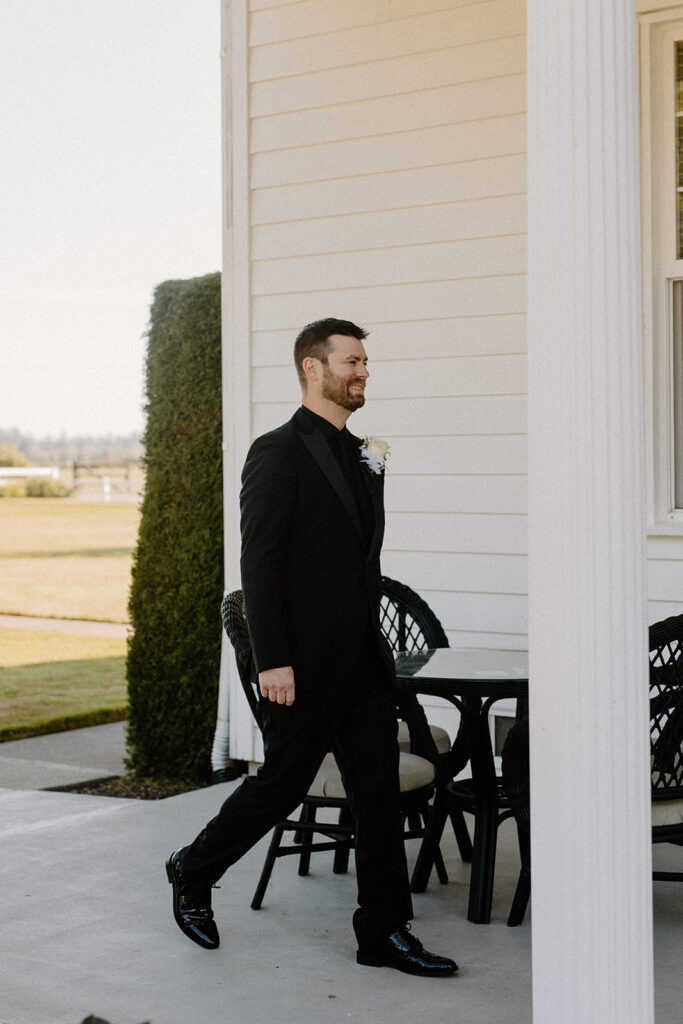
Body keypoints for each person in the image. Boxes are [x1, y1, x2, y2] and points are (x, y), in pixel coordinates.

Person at [166, 318, 458, 977]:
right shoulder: (276, 453)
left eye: (364, 363)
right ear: (311, 368)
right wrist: (272, 659)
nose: (362, 372)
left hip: (360, 662)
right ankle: (193, 869)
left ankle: (383, 933)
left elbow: (357, 560)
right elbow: (260, 565)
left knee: (378, 794)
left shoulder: (360, 454)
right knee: (280, 786)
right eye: (351, 361)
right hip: (299, 665)